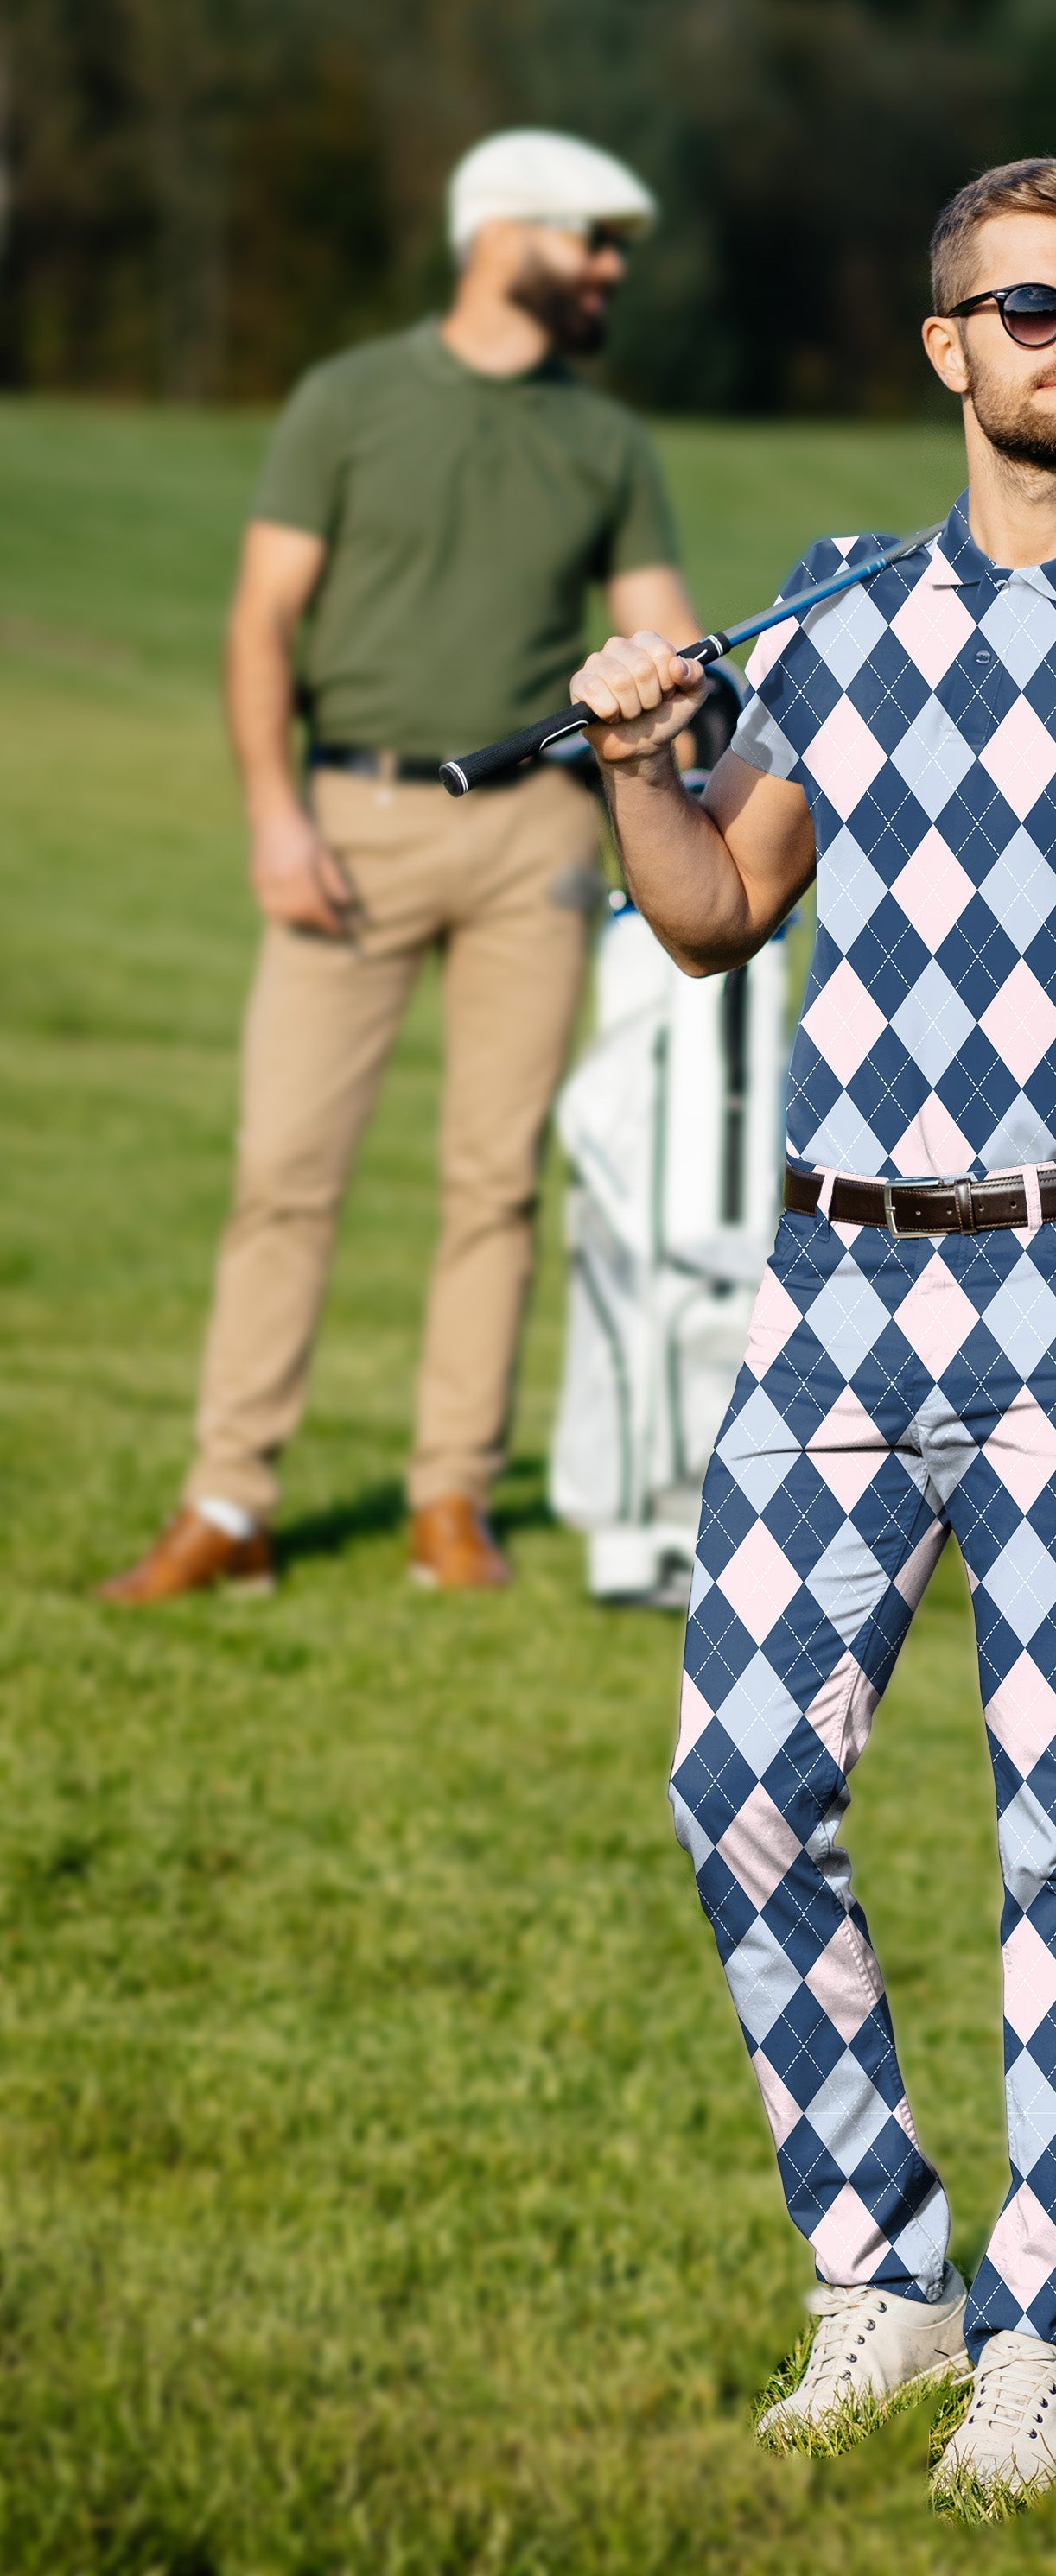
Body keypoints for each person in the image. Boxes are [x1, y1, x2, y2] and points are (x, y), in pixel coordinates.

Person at [568, 156, 1056, 2509]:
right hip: (831, 1292)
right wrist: (635, 755)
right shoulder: (831, 626)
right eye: (1030, 307)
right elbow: (714, 914)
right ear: (951, 351)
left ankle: (1041, 2327)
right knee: (741, 1791)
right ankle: (880, 2264)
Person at [97, 129, 699, 1605]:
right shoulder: (346, 401)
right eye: (592, 239)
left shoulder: (606, 439)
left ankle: (451, 1504)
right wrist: (272, 816)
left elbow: (669, 634)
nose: (613, 267)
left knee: (494, 1180)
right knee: (283, 1170)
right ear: (501, 236)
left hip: (538, 841)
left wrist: (691, 745)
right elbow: (261, 622)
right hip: (348, 820)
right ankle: (230, 1500)